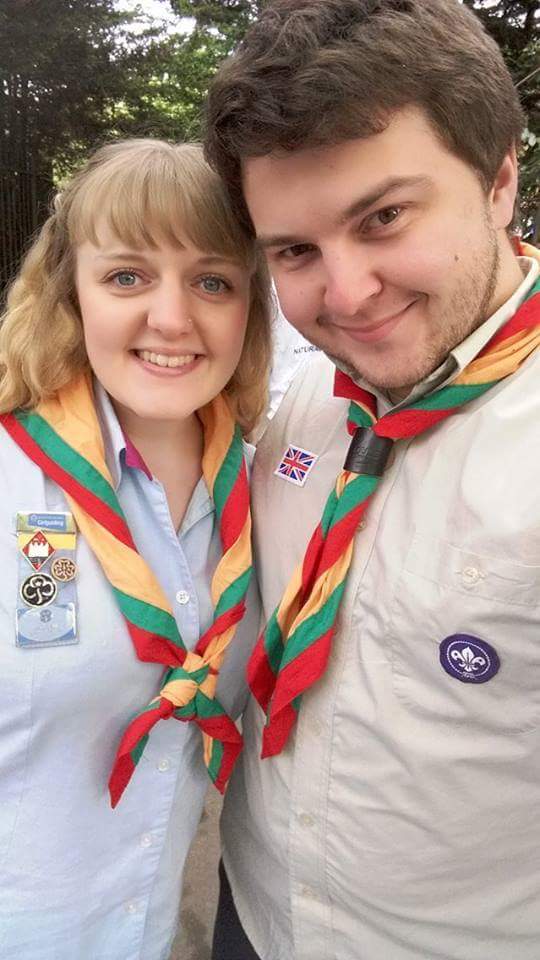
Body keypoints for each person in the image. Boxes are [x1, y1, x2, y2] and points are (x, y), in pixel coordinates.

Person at [203, 1, 540, 958]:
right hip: (253, 910)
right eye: (296, 251)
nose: (346, 296)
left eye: (384, 217)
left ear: (499, 181)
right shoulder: (304, 398)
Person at [0, 138, 270, 959]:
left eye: (213, 281)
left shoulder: (273, 493)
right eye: (127, 276)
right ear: (71, 293)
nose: (172, 319)